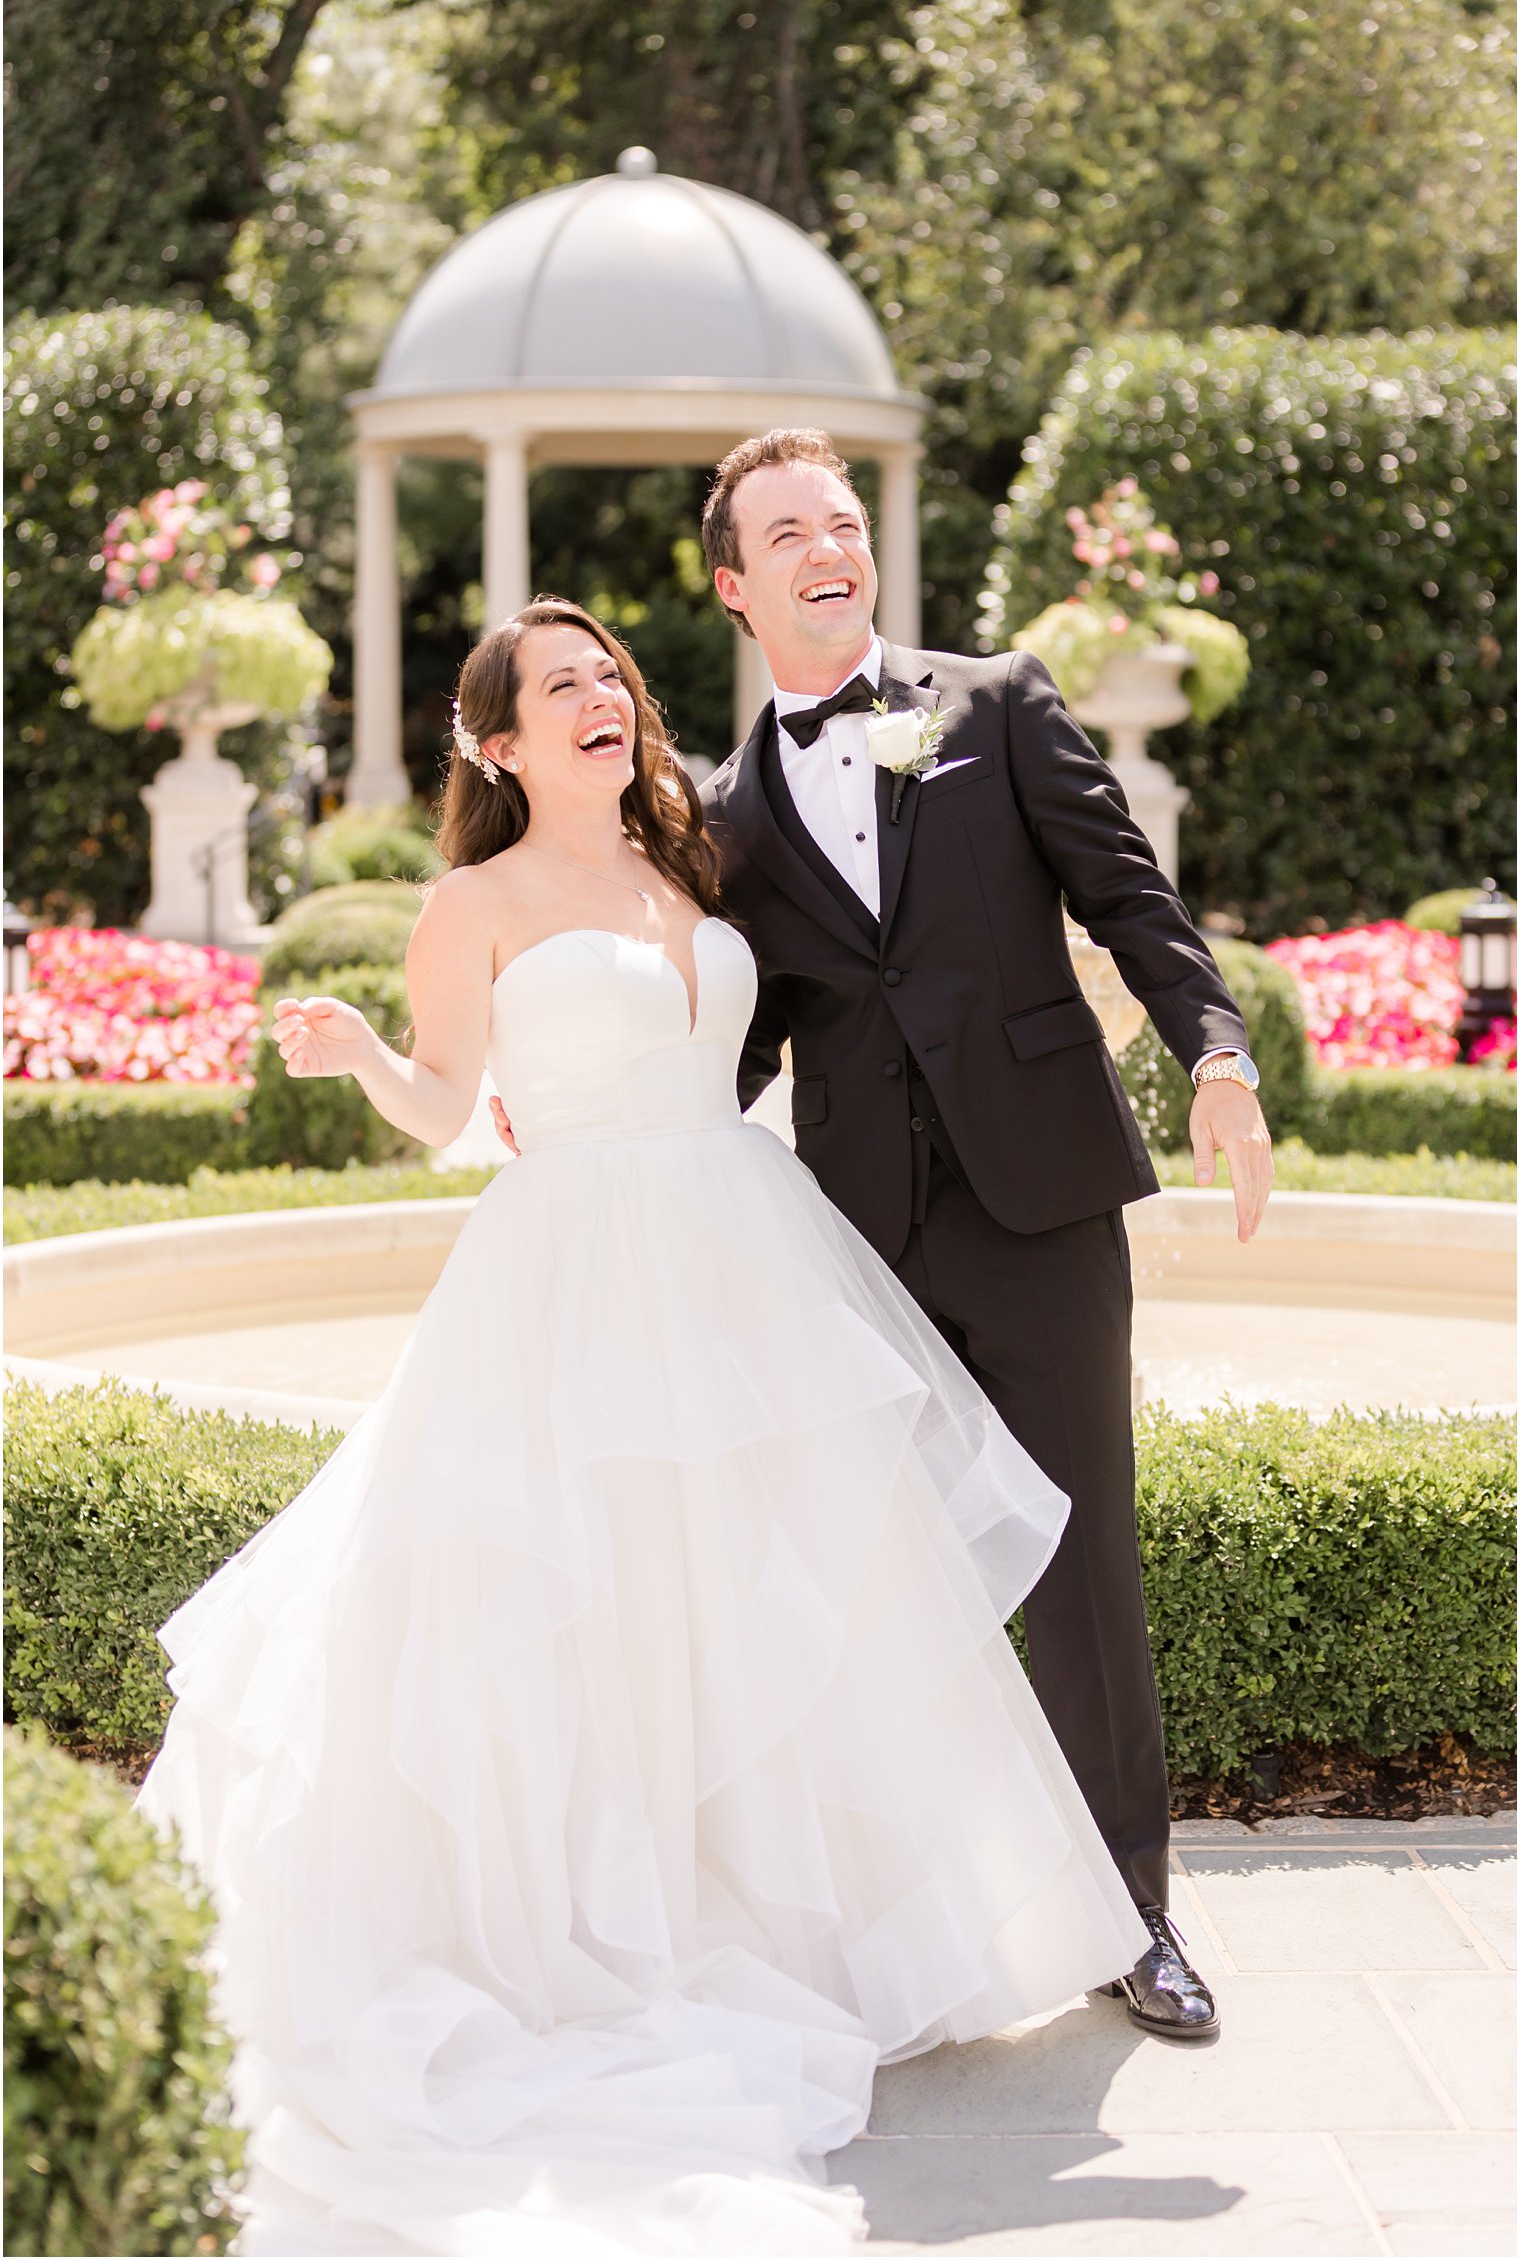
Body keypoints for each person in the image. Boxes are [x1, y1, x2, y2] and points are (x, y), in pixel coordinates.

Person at [136, 597, 1152, 2258]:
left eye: (609, 672)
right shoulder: (467, 898)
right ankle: (599, 1936)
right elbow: (451, 1104)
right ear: (497, 741)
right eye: (559, 684)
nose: (602, 695)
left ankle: (789, 1921)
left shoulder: (696, 861)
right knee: (588, 1601)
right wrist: (364, 1056)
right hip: (576, 1271)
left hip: (744, 1254)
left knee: (757, 1597)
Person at [505, 429, 1273, 2042]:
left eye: (841, 519)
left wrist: (1218, 1052)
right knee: (866, 1582)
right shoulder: (713, 814)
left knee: (1077, 1557)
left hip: (1045, 1205)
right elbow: (741, 1040)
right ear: (734, 585)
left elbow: (1134, 900)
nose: (824, 544)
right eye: (784, 530)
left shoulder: (996, 702)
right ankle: (913, 1922)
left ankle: (1134, 1913)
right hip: (848, 1242)